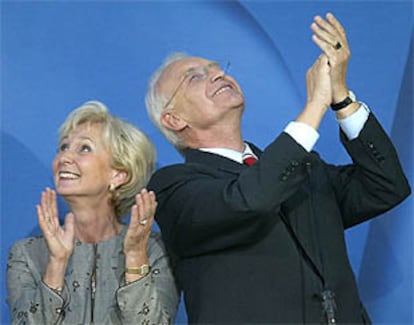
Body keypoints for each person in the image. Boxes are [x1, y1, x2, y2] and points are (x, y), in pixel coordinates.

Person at [145, 13, 411, 324]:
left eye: (216, 67)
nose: (217, 74)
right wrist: (315, 105)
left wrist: (340, 98)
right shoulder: (172, 187)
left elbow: (386, 185)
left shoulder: (303, 166)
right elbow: (248, 201)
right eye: (195, 76)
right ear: (174, 120)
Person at [7, 101, 179, 324]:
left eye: (84, 148)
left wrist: (136, 256)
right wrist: (56, 264)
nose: (64, 158)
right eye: (63, 147)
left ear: (119, 175)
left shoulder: (156, 250)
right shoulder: (27, 253)